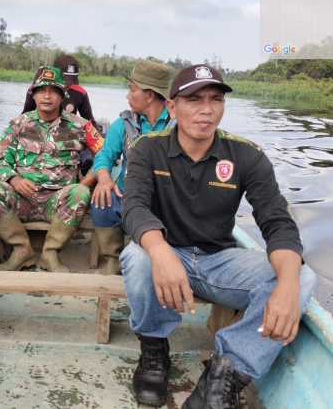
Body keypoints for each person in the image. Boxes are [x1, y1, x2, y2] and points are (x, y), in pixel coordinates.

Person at [120, 64, 318, 407]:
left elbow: (277, 222)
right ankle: (154, 351)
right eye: (194, 99)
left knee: (302, 276)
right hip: (167, 254)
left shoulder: (247, 155)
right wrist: (162, 251)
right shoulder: (146, 148)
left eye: (215, 99)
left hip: (218, 260)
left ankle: (223, 375)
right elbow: (134, 208)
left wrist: (287, 285)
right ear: (172, 107)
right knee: (138, 256)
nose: (207, 109)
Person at [0, 66, 104, 272]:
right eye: (42, 90)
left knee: (80, 192)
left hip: (59, 203)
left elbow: (107, 154)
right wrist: (14, 180)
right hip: (22, 200)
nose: (47, 96)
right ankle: (21, 250)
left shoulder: (81, 126)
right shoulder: (18, 124)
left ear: (63, 96)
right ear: (33, 94)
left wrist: (87, 181)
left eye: (54, 90)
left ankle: (50, 253)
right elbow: (0, 161)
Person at [89, 59, 174, 274]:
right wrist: (104, 177)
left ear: (150, 94)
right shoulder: (124, 124)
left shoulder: (178, 125)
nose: (128, 96)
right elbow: (104, 155)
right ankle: (112, 257)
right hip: (126, 194)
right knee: (102, 200)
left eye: (132, 89)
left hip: (164, 199)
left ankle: (160, 256)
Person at [22, 54, 97, 127]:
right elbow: (25, 114)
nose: (68, 82)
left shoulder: (80, 92)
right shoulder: (35, 89)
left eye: (72, 79)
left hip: (66, 132)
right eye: (64, 78)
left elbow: (90, 121)